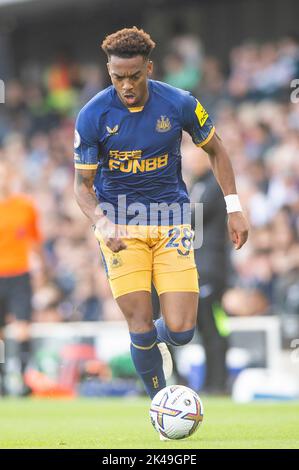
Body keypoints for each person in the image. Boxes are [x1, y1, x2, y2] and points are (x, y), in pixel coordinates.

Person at [73, 27, 248, 415]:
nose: (126, 85)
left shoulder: (179, 103)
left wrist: (234, 206)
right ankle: (161, 403)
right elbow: (82, 187)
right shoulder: (92, 115)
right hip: (121, 226)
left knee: (183, 331)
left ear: (149, 68)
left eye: (134, 75)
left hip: (171, 221)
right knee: (139, 320)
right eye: (118, 77)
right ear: (109, 71)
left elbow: (217, 151)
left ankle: (148, 342)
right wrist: (101, 222)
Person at [185, 141, 230, 394]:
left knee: (215, 325)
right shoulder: (196, 186)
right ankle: (211, 381)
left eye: (193, 155)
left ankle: (219, 382)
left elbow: (193, 217)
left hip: (211, 268)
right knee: (205, 326)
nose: (188, 160)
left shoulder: (213, 186)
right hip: (199, 267)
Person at [0, 159, 44, 395]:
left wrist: (41, 273)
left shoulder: (24, 206)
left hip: (19, 274)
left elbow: (35, 242)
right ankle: (3, 379)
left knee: (23, 328)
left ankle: (26, 377)